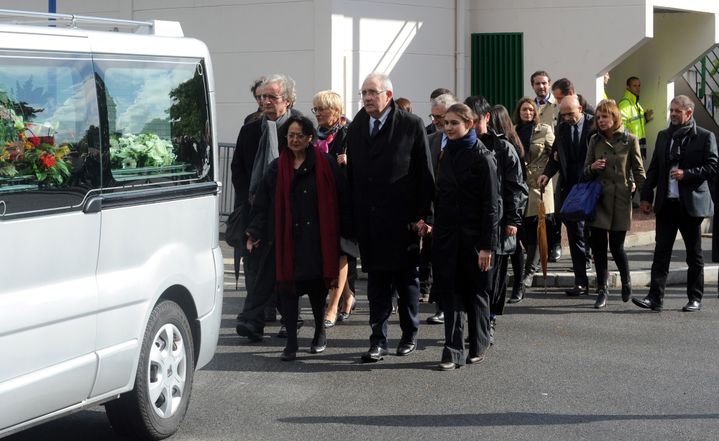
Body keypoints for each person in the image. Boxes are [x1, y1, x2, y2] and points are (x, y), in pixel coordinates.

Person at [245, 115, 350, 361]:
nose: (293, 140)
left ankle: (319, 332)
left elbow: (343, 198)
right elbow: (262, 203)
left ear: (310, 138)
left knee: (315, 291)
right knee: (288, 292)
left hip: (316, 240)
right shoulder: (276, 167)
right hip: (287, 240)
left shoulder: (325, 163)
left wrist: (347, 233)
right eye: (290, 135)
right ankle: (291, 342)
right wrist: (254, 232)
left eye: (299, 136)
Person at [346, 72, 435, 363]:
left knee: (407, 281)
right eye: (364, 93)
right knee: (376, 284)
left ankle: (409, 333)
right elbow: (352, 176)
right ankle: (378, 340)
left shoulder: (411, 125)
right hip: (370, 221)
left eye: (372, 92)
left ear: (388, 95)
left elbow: (424, 173)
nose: (367, 98)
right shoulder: (359, 124)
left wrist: (424, 215)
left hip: (403, 219)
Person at [231, 74, 302, 342]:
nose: (265, 102)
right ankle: (254, 321)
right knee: (255, 266)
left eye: (271, 96)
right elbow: (238, 167)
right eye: (261, 97)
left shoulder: (297, 129)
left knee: (287, 267)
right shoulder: (251, 128)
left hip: (290, 210)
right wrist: (248, 196)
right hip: (255, 209)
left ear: (288, 99)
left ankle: (291, 319)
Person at [632, 95, 718, 312]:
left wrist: (686, 174)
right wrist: (645, 197)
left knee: (693, 254)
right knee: (661, 253)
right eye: (671, 111)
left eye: (677, 111)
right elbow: (653, 169)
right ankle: (654, 298)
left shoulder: (705, 137)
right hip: (666, 204)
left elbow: (712, 166)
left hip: (690, 204)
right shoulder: (663, 136)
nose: (672, 115)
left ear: (689, 113)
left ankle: (694, 298)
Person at [433, 103, 499, 370]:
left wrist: (487, 246)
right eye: (445, 123)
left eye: (453, 123)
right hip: (448, 236)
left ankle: (478, 343)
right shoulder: (445, 154)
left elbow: (491, 204)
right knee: (451, 293)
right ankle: (452, 350)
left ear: (469, 124)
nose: (447, 128)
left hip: (475, 239)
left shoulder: (483, 157)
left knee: (476, 292)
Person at [471, 99, 526, 345]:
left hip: (500, 221)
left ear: (486, 118)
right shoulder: (463, 146)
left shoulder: (502, 147)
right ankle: (476, 322)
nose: (470, 125)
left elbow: (517, 187)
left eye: (474, 119)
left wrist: (513, 219)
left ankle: (490, 319)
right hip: (471, 223)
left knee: (495, 277)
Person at [583, 100, 646, 308]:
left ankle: (626, 281)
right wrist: (593, 167)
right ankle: (602, 290)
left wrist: (643, 196)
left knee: (617, 247)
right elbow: (585, 171)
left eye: (605, 117)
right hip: (599, 200)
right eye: (598, 117)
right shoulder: (594, 140)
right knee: (599, 248)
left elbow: (638, 171)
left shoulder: (630, 140)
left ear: (614, 118)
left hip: (620, 200)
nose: (601, 121)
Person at [538, 95, 594, 296]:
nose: (567, 118)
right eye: (563, 114)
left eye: (571, 113)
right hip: (570, 188)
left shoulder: (594, 124)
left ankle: (602, 283)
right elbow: (555, 156)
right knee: (575, 234)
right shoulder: (561, 127)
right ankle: (581, 282)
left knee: (595, 235)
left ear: (580, 108)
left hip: (592, 186)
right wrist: (546, 173)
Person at [310, 90, 358, 327]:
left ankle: (332, 305)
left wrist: (349, 162)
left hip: (344, 200)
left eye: (322, 109)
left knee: (340, 251)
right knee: (328, 252)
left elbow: (361, 166)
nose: (317, 114)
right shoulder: (315, 135)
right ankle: (348, 295)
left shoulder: (348, 132)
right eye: (315, 109)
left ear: (336, 111)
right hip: (320, 200)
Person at [512, 97, 556, 296]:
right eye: (524, 110)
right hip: (519, 186)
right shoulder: (512, 131)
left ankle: (528, 273)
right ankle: (531, 263)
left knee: (536, 229)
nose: (528, 113)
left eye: (531, 110)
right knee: (520, 229)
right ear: (519, 112)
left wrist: (547, 174)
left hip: (539, 185)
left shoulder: (544, 130)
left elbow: (555, 155)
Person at [424, 93, 459, 323]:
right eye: (434, 116)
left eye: (441, 117)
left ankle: (456, 306)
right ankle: (442, 306)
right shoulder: (431, 140)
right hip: (436, 213)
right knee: (437, 261)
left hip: (458, 214)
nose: (437, 121)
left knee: (454, 263)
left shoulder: (464, 141)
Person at [617, 76, 654, 159]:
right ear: (628, 87)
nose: (638, 88)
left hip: (638, 144)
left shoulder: (636, 104)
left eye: (639, 85)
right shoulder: (625, 103)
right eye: (634, 86)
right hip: (630, 146)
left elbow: (634, 124)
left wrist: (645, 119)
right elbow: (620, 125)